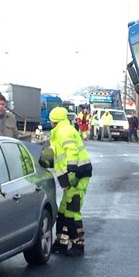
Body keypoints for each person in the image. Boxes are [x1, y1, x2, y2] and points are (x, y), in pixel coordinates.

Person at [46, 107, 92, 256]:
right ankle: (62, 242)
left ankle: (78, 245)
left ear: (53, 120)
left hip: (77, 175)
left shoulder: (63, 131)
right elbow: (60, 154)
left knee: (73, 211)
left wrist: (72, 170)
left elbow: (71, 151)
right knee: (64, 210)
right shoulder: (62, 130)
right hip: (74, 175)